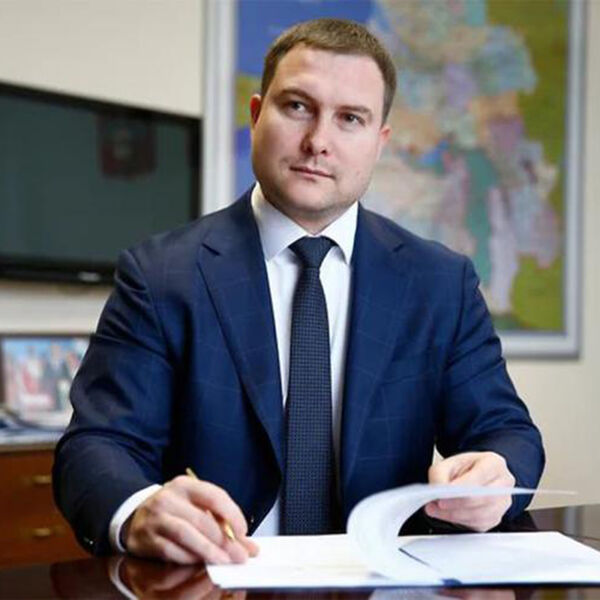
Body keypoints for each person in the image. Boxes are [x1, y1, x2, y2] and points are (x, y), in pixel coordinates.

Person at [53, 18, 544, 566]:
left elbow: (506, 433)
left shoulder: (440, 283)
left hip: (387, 582)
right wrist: (140, 509)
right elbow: (96, 446)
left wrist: (496, 475)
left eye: (350, 118)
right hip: (217, 579)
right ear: (256, 115)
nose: (318, 142)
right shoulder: (161, 275)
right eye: (297, 107)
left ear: (379, 141)